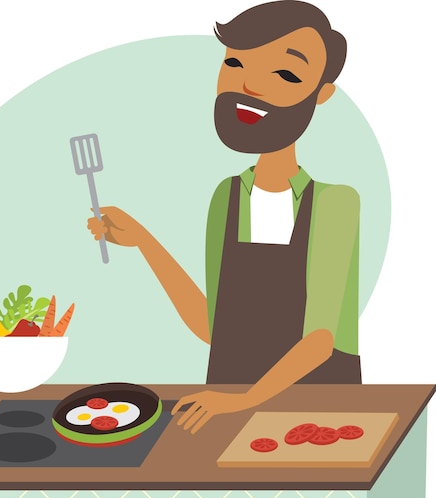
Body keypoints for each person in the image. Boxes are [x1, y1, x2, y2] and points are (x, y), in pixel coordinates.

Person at [87, 0, 360, 433]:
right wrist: (145, 242)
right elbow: (216, 328)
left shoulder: (335, 203)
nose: (249, 85)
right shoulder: (227, 197)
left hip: (316, 416)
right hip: (223, 409)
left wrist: (245, 400)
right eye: (234, 63)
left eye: (286, 74)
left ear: (321, 93)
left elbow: (320, 341)